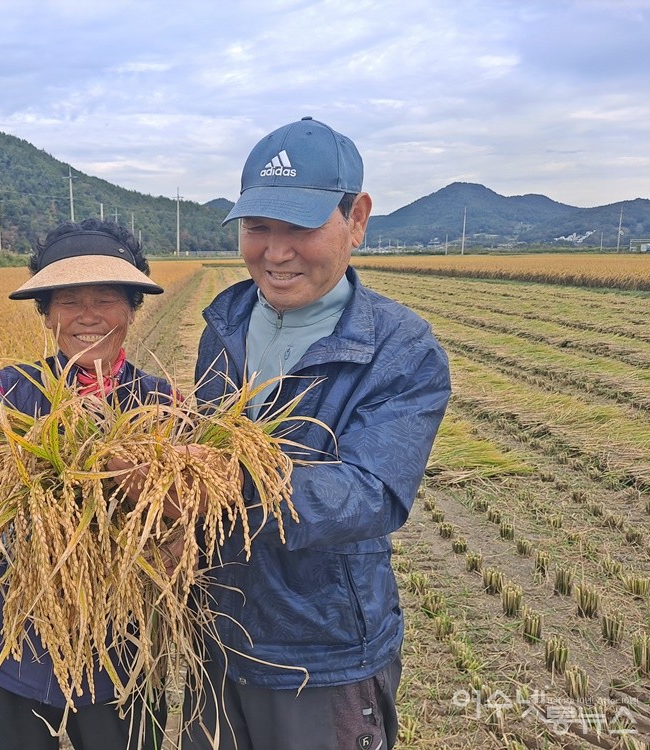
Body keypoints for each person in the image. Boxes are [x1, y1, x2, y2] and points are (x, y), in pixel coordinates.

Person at [183, 117, 452, 750]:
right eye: (257, 229)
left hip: (321, 653)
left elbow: (370, 493)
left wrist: (214, 482)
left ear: (356, 217)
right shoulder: (225, 322)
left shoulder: (399, 348)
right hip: (216, 638)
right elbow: (202, 445)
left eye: (300, 228)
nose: (275, 254)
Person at [0, 218, 171, 750]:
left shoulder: (162, 403)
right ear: (48, 314)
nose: (88, 317)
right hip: (11, 645)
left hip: (121, 647)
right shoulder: (8, 392)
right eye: (69, 302)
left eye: (105, 300)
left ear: (131, 309)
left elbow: (183, 519)